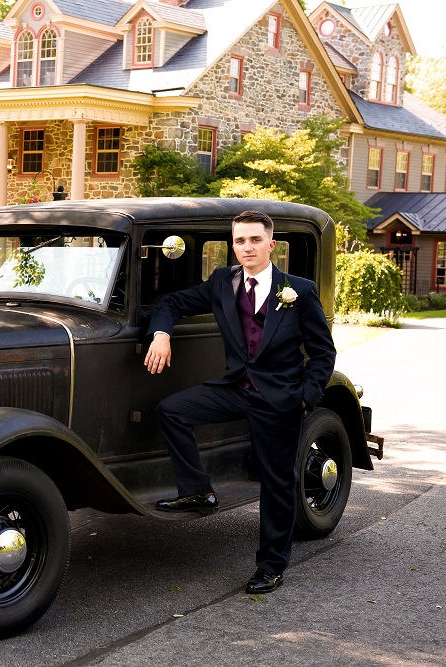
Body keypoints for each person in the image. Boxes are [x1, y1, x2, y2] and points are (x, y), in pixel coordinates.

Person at [143, 210, 336, 594]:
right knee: (172, 410)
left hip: (280, 399)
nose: (246, 247)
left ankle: (271, 566)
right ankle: (199, 490)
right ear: (233, 245)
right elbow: (172, 302)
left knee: (277, 482)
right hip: (236, 387)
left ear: (271, 245)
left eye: (254, 240)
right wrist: (161, 333)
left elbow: (323, 353)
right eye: (239, 241)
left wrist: (304, 400)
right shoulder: (222, 281)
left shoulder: (298, 290)